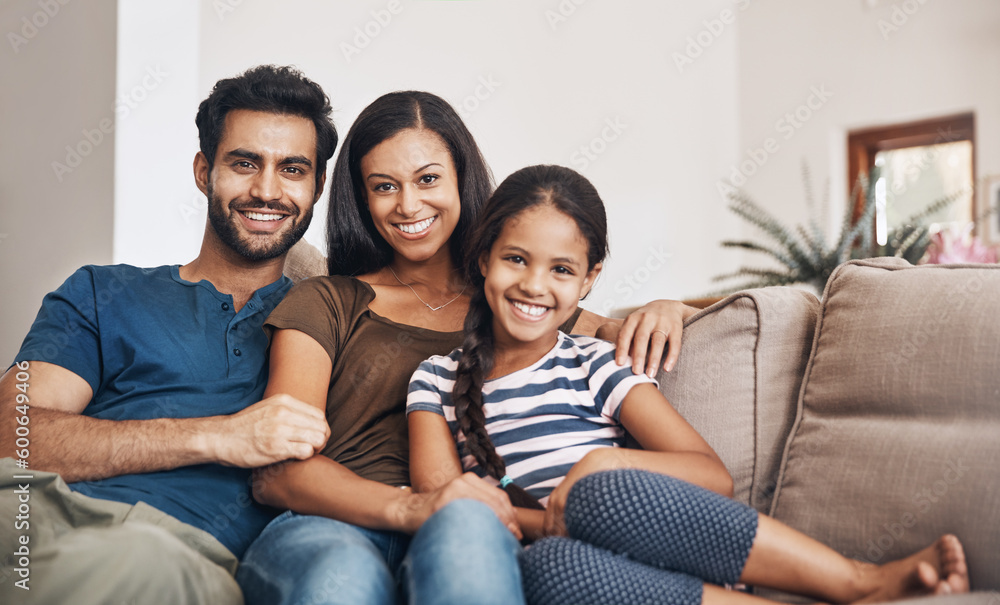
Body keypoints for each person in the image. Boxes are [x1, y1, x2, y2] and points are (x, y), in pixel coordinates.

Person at [405, 164, 970, 605]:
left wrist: (601, 469)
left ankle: (857, 581)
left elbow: (709, 475)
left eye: (561, 269)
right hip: (581, 576)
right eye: (516, 259)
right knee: (551, 570)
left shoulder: (594, 363)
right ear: (483, 258)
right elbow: (449, 503)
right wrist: (554, 516)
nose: (533, 284)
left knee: (599, 490)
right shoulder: (434, 382)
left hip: (646, 539)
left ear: (589, 280)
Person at [236, 91, 696, 605]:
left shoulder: (516, 302)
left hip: (468, 528)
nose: (408, 205)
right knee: (345, 580)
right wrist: (413, 506)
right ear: (363, 199)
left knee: (469, 541)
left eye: (428, 179)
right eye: (384, 186)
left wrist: (669, 306)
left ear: (461, 180)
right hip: (331, 525)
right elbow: (277, 471)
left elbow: (637, 325)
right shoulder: (327, 300)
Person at [0, 65, 337, 605]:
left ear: (318, 186)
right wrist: (219, 436)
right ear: (204, 172)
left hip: (167, 551)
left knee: (124, 565)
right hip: (27, 508)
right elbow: (11, 434)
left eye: (292, 169)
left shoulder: (328, 321)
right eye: (245, 163)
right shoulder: (100, 291)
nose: (267, 190)